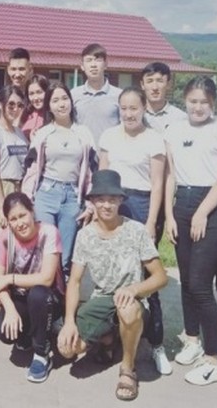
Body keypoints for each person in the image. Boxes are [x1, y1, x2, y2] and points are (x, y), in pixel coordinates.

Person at [58, 170, 168, 402]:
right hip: (101, 299)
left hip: (132, 301)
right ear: (92, 202)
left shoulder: (136, 230)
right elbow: (74, 281)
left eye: (112, 199)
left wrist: (134, 290)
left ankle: (128, 369)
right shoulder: (85, 235)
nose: (106, 205)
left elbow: (160, 277)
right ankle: (108, 339)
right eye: (100, 199)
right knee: (68, 349)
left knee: (127, 310)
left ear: (120, 201)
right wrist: (68, 322)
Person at [164, 76, 217, 385]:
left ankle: (213, 359)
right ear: (185, 100)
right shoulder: (174, 129)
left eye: (204, 102)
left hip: (213, 207)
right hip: (182, 203)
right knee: (185, 280)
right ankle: (192, 339)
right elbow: (170, 176)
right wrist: (169, 214)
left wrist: (203, 212)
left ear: (213, 103)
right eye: (192, 101)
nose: (197, 107)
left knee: (200, 284)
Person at [98, 87, 171, 375]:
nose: (129, 114)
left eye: (134, 108)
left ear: (143, 109)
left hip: (140, 205)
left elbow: (157, 184)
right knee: (111, 274)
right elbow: (101, 178)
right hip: (112, 203)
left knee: (146, 277)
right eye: (124, 108)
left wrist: (151, 222)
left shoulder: (153, 139)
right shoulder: (109, 136)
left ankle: (156, 344)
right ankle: (111, 337)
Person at [22, 81, 96, 277]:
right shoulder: (43, 134)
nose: (61, 104)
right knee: (45, 251)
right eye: (55, 100)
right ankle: (43, 293)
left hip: (72, 197)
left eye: (65, 98)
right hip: (46, 194)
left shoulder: (84, 134)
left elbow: (91, 172)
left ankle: (62, 295)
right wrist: (27, 199)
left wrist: (90, 203)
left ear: (71, 101)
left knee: (65, 255)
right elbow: (31, 169)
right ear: (49, 106)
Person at [0, 192, 63, 383]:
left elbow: (46, 279)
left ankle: (42, 353)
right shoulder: (6, 238)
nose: (20, 223)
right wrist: (10, 310)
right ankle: (29, 334)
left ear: (32, 212)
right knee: (4, 333)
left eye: (22, 215)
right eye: (13, 219)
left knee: (38, 294)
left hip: (47, 297)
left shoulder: (49, 233)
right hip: (20, 297)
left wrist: (10, 278)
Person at [0, 85, 29, 230]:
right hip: (3, 187)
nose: (15, 109)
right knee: (5, 236)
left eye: (20, 105)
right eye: (11, 104)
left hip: (20, 187)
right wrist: (2, 205)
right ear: (0, 105)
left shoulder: (20, 133)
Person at [70, 43, 121, 144]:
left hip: (110, 152)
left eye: (98, 60)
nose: (93, 65)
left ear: (106, 64)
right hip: (82, 152)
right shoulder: (73, 95)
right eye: (89, 60)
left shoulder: (119, 95)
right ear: (82, 66)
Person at [140, 62, 186, 133]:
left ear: (169, 84)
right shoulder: (134, 115)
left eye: (160, 81)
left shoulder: (180, 118)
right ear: (142, 85)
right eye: (149, 81)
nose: (155, 87)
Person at [20, 74, 49, 141]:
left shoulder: (54, 116)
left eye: (39, 92)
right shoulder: (25, 114)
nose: (35, 98)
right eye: (31, 94)